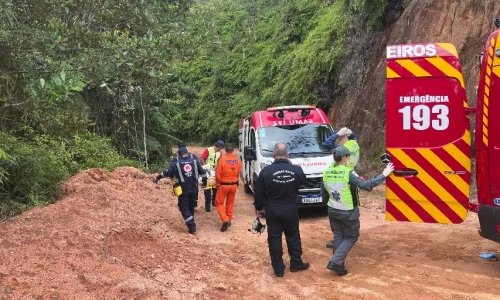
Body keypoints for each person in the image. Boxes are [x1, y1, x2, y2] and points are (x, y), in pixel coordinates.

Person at [322, 145, 394, 275]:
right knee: (351, 237)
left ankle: (339, 264)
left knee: (339, 235)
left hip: (333, 209)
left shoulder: (326, 171)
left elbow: (324, 194)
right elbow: (366, 185)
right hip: (348, 212)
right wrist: (384, 174)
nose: (349, 159)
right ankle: (336, 261)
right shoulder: (348, 172)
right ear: (344, 158)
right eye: (348, 156)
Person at [254, 143, 309, 277]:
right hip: (290, 208)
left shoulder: (265, 171)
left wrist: (259, 208)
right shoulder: (296, 170)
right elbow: (303, 181)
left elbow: (259, 193)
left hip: (272, 209)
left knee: (274, 238)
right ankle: (296, 263)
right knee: (293, 236)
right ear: (287, 154)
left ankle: (278, 268)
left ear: (274, 154)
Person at [155, 143, 207, 234]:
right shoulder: (194, 161)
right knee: (191, 206)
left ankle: (191, 225)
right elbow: (203, 173)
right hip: (194, 188)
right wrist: (205, 183)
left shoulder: (176, 163)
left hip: (183, 189)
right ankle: (191, 222)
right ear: (187, 152)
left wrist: (159, 177)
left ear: (179, 154)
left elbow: (167, 173)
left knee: (183, 207)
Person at [323, 126, 360, 248]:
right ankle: (343, 237)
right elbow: (354, 136)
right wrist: (346, 132)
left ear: (345, 137)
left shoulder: (345, 148)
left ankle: (343, 238)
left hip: (344, 177)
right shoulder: (354, 144)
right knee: (348, 206)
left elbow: (326, 144)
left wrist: (338, 134)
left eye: (339, 137)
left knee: (342, 207)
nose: (337, 140)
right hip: (349, 177)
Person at [214, 143, 242, 232]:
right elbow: (239, 172)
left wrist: (217, 183)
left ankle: (225, 219)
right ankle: (229, 219)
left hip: (223, 185)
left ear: (225, 150)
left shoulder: (222, 159)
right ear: (233, 150)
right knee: (230, 203)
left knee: (219, 203)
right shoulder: (237, 160)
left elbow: (218, 174)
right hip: (233, 185)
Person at [200, 140, 224, 212]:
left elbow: (219, 161)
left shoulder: (220, 153)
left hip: (215, 171)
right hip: (207, 171)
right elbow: (202, 158)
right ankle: (207, 206)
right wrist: (205, 167)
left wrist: (217, 167)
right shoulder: (208, 150)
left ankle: (214, 202)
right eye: (221, 147)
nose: (221, 149)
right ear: (219, 146)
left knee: (215, 188)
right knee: (207, 189)